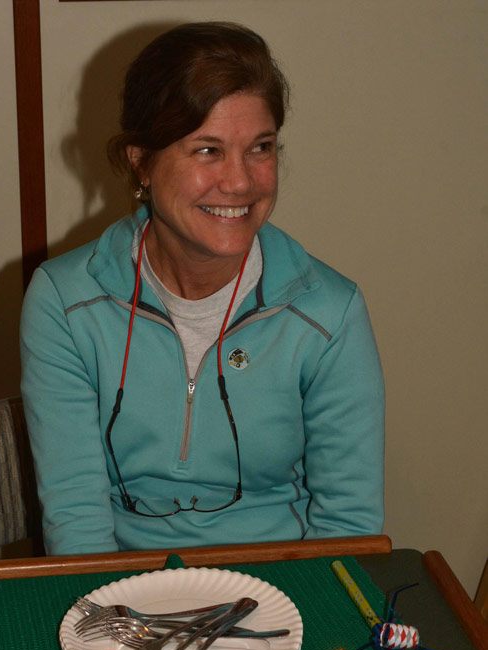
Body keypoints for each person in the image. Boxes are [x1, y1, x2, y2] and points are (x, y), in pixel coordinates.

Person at [20, 21, 385, 556]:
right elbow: (77, 517)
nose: (240, 182)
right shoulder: (65, 301)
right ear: (140, 161)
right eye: (207, 150)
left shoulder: (329, 313)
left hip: (282, 591)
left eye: (260, 148)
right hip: (122, 589)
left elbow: (348, 526)